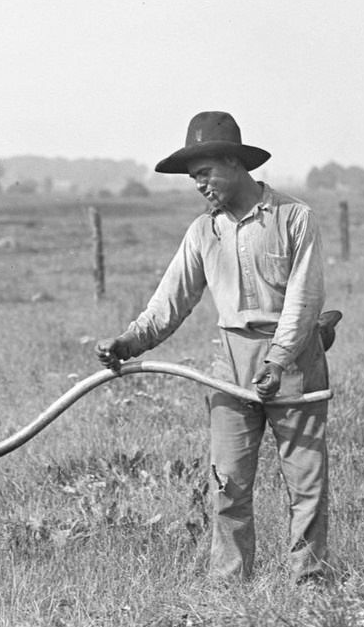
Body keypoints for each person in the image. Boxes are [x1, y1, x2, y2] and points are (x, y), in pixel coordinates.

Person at [95, 112, 337, 584]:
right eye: (193, 179)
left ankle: (309, 583)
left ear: (234, 162)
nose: (200, 186)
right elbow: (169, 302)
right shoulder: (203, 232)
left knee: (305, 483)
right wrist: (128, 341)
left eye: (205, 173)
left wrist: (279, 358)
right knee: (227, 483)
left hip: (293, 362)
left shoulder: (294, 217)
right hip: (229, 363)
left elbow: (305, 300)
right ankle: (228, 585)